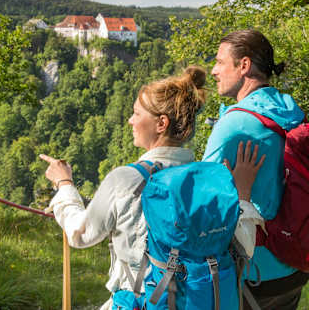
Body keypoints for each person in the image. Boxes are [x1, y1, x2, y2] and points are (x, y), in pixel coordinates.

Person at [41, 66, 263, 310]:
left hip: (141, 301)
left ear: (161, 123)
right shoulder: (209, 182)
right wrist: (243, 196)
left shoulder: (125, 180)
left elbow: (80, 234)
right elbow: (244, 248)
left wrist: (64, 185)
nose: (130, 120)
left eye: (136, 114)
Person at [202, 29, 309, 310]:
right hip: (294, 265)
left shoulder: (233, 125)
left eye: (220, 62)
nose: (213, 71)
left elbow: (203, 206)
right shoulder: (291, 111)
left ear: (244, 65)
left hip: (253, 273)